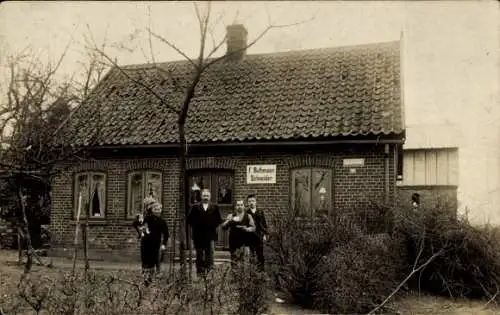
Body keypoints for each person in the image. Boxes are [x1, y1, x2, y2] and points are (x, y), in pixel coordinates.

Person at [133, 196, 169, 286]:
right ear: (151, 210)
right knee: (145, 261)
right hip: (145, 244)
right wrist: (140, 231)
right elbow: (136, 224)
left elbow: (166, 234)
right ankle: (146, 279)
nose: (158, 211)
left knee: (154, 261)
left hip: (156, 244)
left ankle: (152, 279)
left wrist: (164, 244)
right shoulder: (147, 219)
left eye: (159, 209)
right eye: (155, 209)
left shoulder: (162, 221)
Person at [187, 188, 223, 276]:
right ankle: (200, 273)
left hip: (210, 234)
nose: (206, 197)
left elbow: (218, 220)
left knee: (209, 254)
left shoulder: (215, 207)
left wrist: (211, 224)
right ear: (201, 196)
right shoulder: (195, 207)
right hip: (198, 234)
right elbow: (190, 220)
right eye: (204, 195)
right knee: (199, 254)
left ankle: (209, 273)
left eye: (207, 195)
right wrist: (197, 225)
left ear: (210, 196)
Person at [221, 199, 256, 268]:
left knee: (244, 261)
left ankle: (242, 277)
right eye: (238, 205)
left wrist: (247, 229)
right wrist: (228, 220)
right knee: (234, 261)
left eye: (241, 205)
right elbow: (223, 227)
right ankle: (235, 277)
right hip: (234, 241)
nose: (239, 206)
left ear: (244, 206)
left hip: (245, 242)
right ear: (235, 207)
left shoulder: (248, 216)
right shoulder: (231, 215)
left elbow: (253, 227)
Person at [246, 194, 268, 271]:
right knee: (251, 255)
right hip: (250, 237)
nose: (251, 203)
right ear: (247, 203)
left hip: (259, 235)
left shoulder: (260, 212)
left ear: (256, 202)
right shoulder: (246, 213)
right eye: (249, 201)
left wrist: (264, 234)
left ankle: (261, 271)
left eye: (253, 201)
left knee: (260, 254)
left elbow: (264, 224)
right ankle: (252, 272)